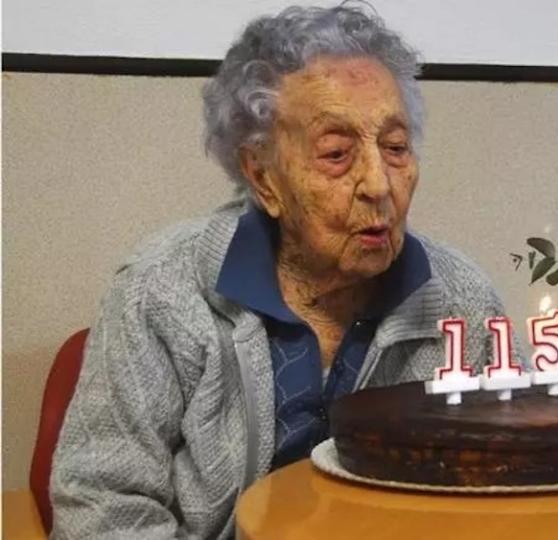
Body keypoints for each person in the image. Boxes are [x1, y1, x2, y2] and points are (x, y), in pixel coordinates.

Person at [50, 4, 509, 538]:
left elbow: (519, 472)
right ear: (262, 175)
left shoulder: (462, 300)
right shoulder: (162, 292)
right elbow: (103, 508)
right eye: (336, 153)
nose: (379, 184)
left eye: (396, 147)